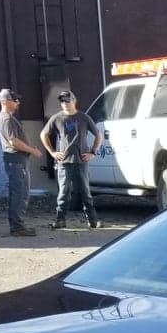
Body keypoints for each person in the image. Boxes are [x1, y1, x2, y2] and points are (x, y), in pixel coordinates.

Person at [41, 90, 103, 230]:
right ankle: (60, 220)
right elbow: (43, 134)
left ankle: (92, 221)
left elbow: (98, 135)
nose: (64, 103)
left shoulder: (84, 118)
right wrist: (52, 152)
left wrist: (93, 152)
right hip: (64, 163)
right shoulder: (57, 118)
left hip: (81, 162)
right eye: (62, 101)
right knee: (63, 193)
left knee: (85, 192)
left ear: (74, 101)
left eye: (67, 100)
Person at [0, 88, 41, 237]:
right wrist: (32, 150)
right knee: (20, 193)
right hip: (16, 161)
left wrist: (28, 147)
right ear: (6, 101)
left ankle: (17, 225)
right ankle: (17, 227)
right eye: (14, 100)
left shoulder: (7, 117)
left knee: (19, 192)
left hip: (16, 160)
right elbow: (13, 141)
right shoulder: (7, 118)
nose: (18, 102)